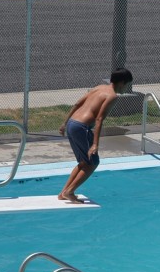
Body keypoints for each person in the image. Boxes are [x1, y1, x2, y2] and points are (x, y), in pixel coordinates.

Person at [57, 68, 133, 202]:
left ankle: (63, 193)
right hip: (82, 127)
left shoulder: (99, 87)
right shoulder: (112, 96)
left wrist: (65, 123)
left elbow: (77, 103)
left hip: (72, 124)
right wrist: (95, 144)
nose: (126, 88)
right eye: (127, 85)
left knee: (83, 162)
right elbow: (99, 119)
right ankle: (69, 192)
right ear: (122, 83)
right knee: (93, 163)